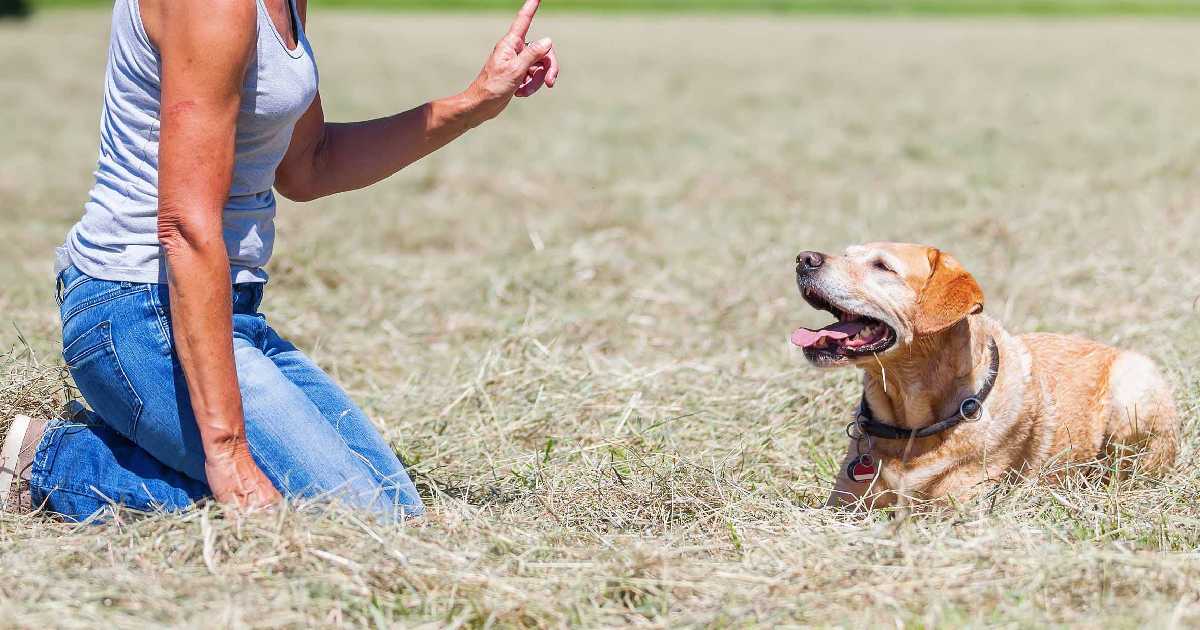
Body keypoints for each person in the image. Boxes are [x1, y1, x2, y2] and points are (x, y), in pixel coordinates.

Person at [0, 0, 560, 521]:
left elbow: (309, 165)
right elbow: (186, 228)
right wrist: (227, 451)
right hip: (141, 309)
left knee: (395, 514)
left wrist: (472, 104)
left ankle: (138, 442)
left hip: (227, 311)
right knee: (351, 522)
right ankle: (55, 463)